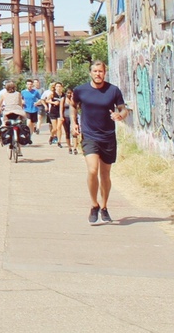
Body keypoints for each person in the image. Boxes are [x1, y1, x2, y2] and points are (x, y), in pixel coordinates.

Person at [71, 60, 129, 224]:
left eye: (101, 71)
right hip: (89, 135)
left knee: (105, 175)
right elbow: (73, 105)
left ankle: (104, 207)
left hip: (108, 136)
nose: (98, 74)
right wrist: (74, 122)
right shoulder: (80, 90)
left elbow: (123, 109)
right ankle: (93, 204)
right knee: (92, 170)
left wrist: (120, 116)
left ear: (105, 72)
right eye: (95, 71)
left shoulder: (113, 90)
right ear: (90, 73)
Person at [45, 82, 67, 146]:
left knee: (59, 127)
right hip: (53, 112)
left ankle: (59, 141)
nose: (59, 88)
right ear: (55, 87)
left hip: (60, 112)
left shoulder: (63, 95)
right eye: (57, 86)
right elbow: (47, 100)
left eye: (60, 86)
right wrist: (53, 102)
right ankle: (51, 137)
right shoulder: (53, 94)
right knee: (54, 129)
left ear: (62, 87)